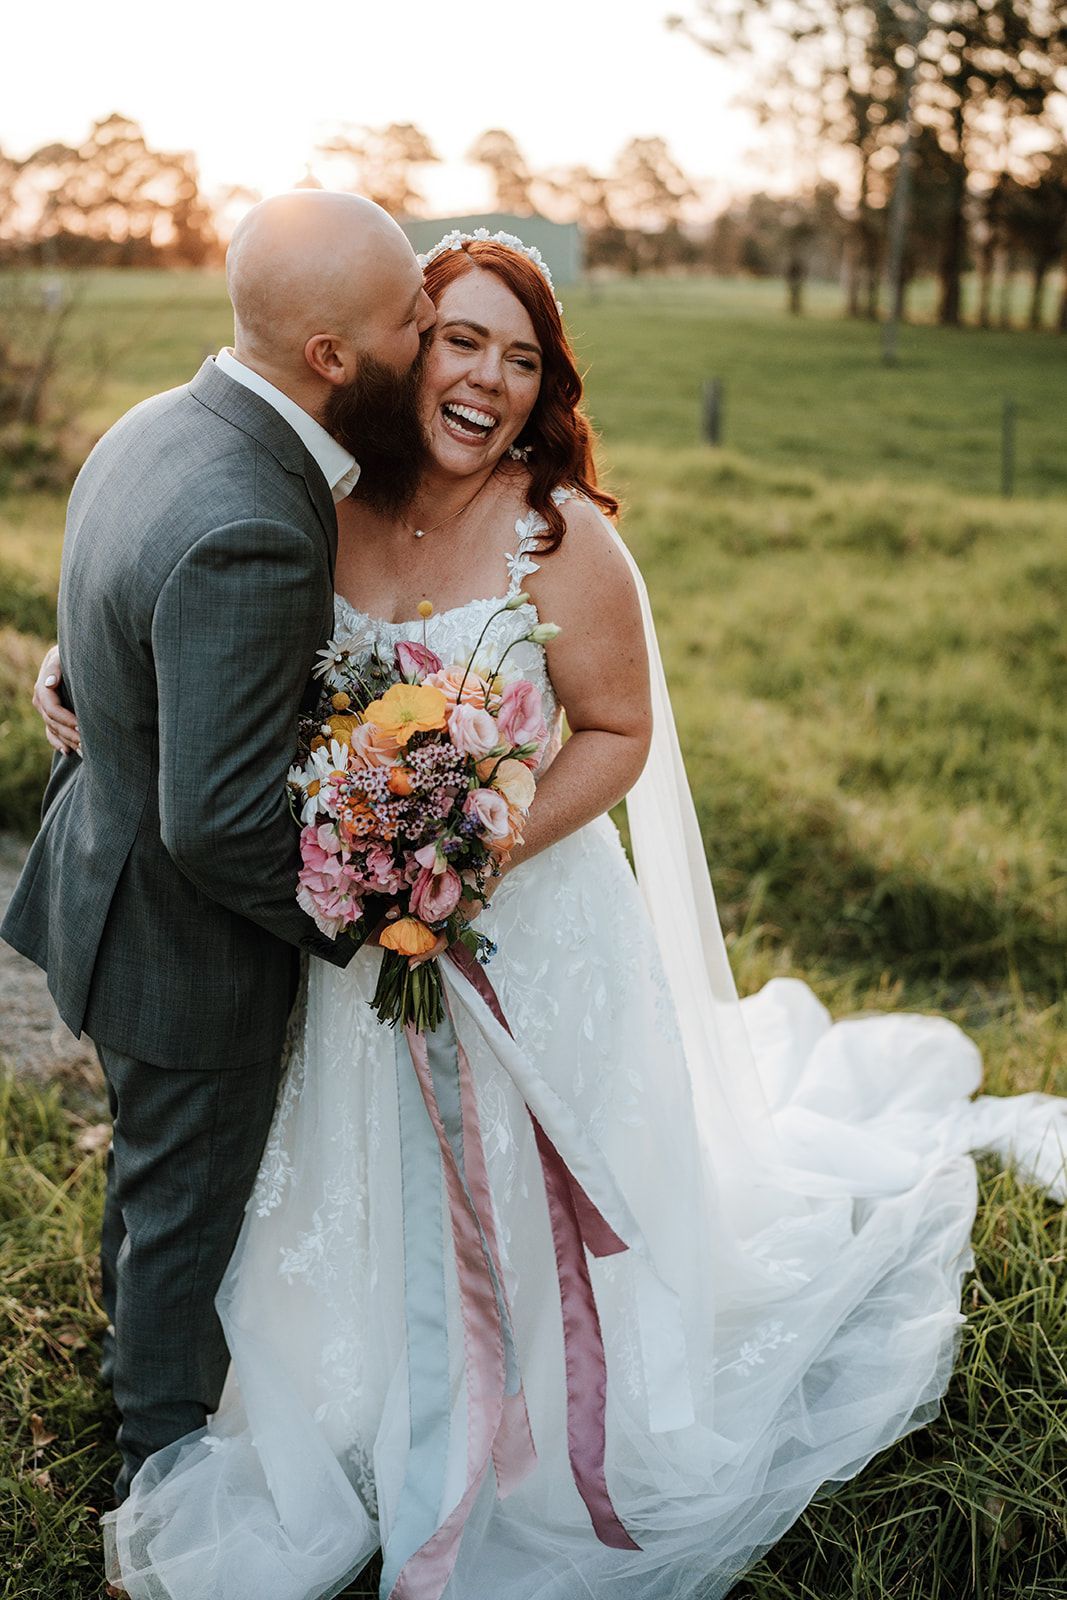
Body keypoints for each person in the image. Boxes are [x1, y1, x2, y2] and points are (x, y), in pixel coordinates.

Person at [30, 233, 1066, 1600]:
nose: (488, 380)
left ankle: (526, 1414)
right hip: (347, 940)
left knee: (535, 1219)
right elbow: (201, 625)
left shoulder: (559, 537)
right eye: (458, 339)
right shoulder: (323, 500)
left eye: (522, 359)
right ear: (400, 351)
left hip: (519, 928)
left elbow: (620, 730)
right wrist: (83, 672)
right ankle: (307, 1396)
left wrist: (474, 845)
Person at [1, 189, 436, 1516]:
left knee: (156, 1183)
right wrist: (378, 917)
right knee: (187, 1212)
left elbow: (125, 613)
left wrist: (80, 675)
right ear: (332, 360)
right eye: (409, 323)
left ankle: (147, 1364)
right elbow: (224, 820)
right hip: (181, 946)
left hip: (103, 885)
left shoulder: (156, 424)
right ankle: (161, 1481)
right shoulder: (256, 513)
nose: (426, 341)